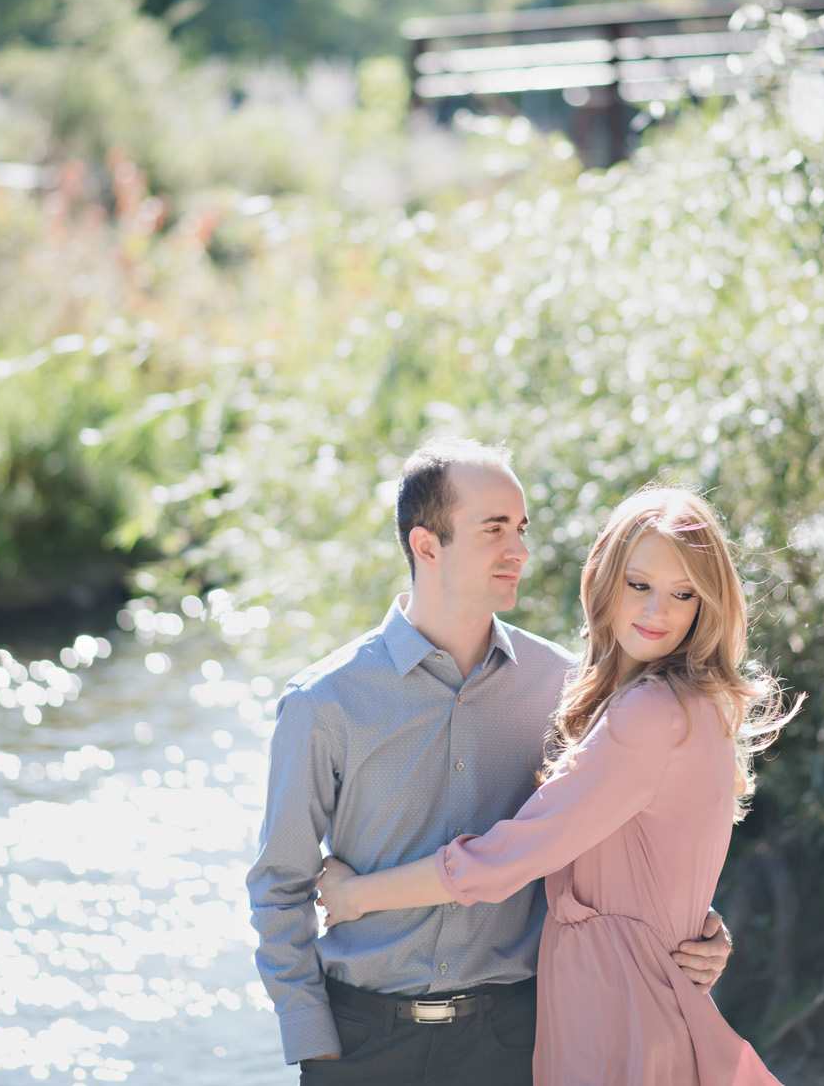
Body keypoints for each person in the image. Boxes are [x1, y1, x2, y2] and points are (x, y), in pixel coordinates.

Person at [247, 441, 732, 1083]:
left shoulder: (567, 688)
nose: (521, 551)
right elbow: (279, 885)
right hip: (364, 1042)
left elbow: (601, 835)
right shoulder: (326, 701)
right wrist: (314, 1040)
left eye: (522, 529)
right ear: (427, 545)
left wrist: (695, 922)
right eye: (494, 530)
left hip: (513, 1042)